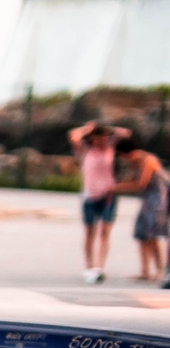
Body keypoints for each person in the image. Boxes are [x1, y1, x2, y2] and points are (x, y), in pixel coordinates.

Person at [70, 121, 129, 284]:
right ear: (93, 138)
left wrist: (110, 130)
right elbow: (73, 136)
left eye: (104, 138)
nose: (101, 141)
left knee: (105, 230)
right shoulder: (86, 151)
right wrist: (86, 129)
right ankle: (89, 266)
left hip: (108, 195)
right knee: (90, 231)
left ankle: (99, 266)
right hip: (89, 196)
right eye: (98, 138)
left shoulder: (110, 148)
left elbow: (126, 132)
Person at [118, 138, 169, 286]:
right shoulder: (133, 162)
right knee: (141, 233)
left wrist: (115, 188)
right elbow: (129, 179)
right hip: (147, 199)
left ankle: (159, 270)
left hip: (159, 197)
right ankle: (145, 271)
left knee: (152, 233)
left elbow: (141, 183)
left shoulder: (148, 159)